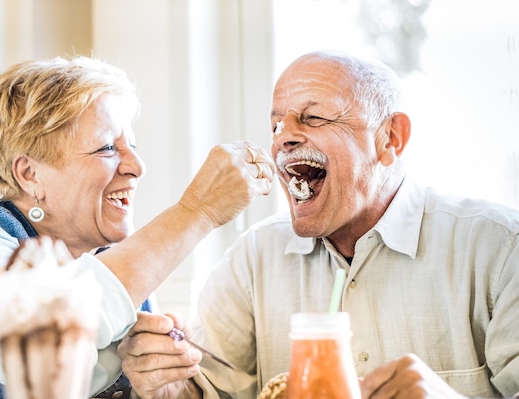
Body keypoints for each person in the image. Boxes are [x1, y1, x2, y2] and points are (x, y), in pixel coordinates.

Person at [116, 50, 519, 399]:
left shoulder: (500, 249)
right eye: (276, 124)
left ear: (390, 138)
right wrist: (169, 387)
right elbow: (212, 392)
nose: (283, 138)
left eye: (312, 117)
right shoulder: (254, 258)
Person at [0, 56, 275, 398]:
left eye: (133, 147)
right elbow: (34, 342)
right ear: (30, 175)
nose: (136, 167)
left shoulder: (122, 277)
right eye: (107, 148)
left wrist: (160, 390)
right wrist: (198, 210)